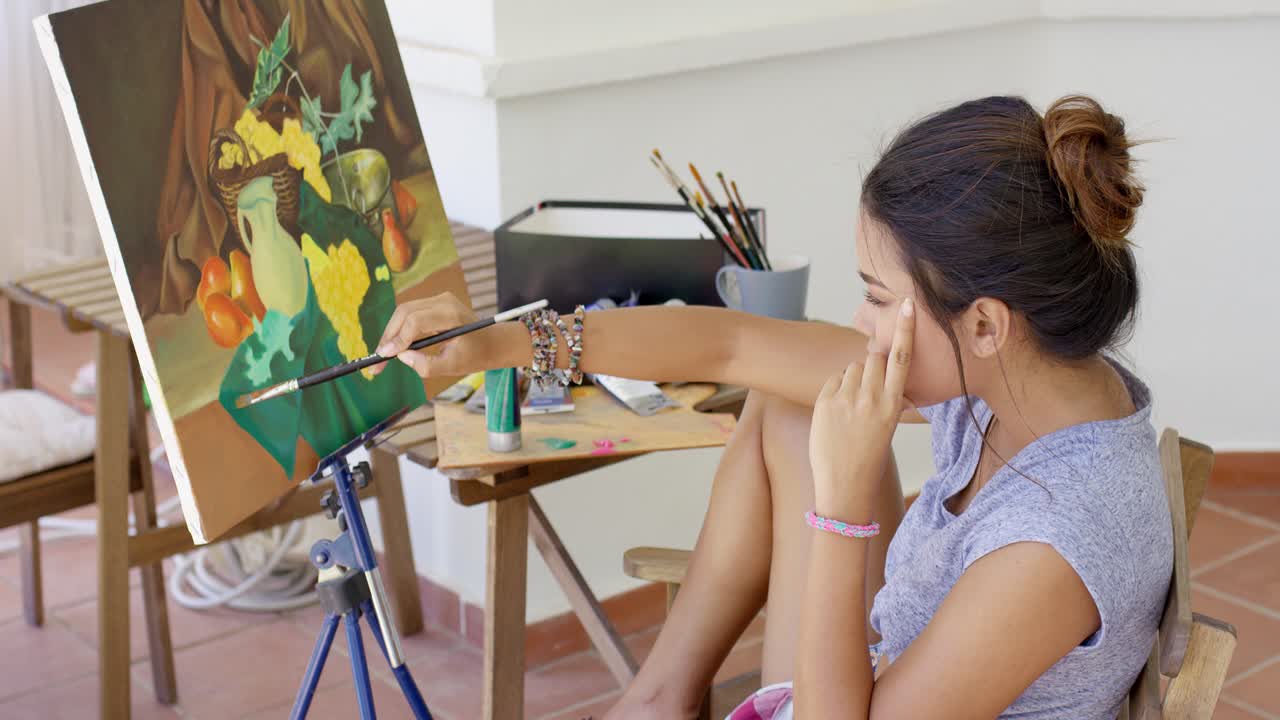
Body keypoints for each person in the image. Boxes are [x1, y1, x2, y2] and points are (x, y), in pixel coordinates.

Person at [371, 94, 1171, 719]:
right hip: (881, 671)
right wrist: (500, 345)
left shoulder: (1057, 541)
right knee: (791, 405)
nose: (861, 321)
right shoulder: (1028, 378)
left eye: (877, 296)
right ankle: (659, 699)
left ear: (987, 323)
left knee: (812, 423)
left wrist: (844, 505)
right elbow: (732, 346)